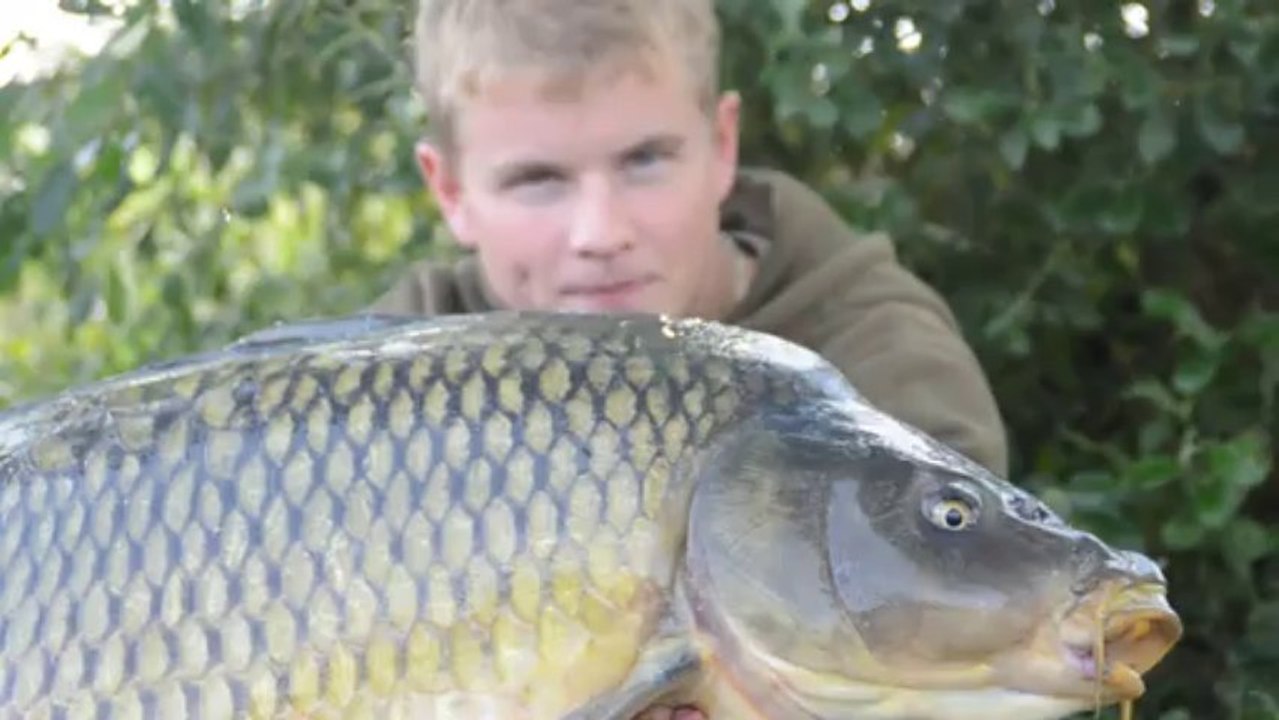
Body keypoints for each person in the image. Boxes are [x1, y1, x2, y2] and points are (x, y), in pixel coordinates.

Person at [366, 1, 1008, 717]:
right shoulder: (369, 388)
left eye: (644, 160)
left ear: (722, 144)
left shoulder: (879, 363)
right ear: (450, 191)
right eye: (537, 179)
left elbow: (947, 651)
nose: (599, 232)